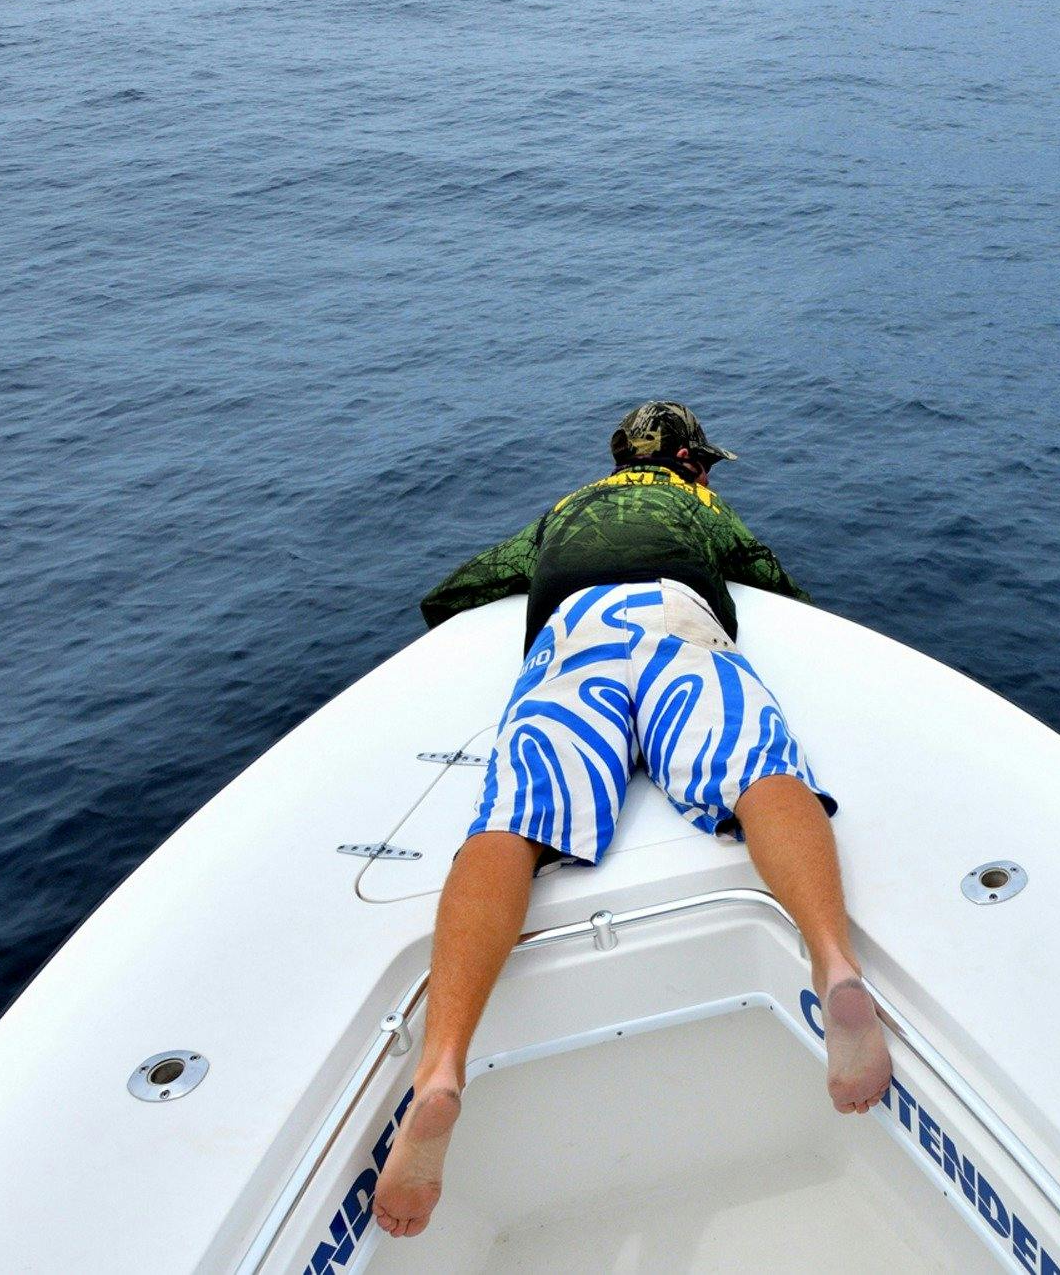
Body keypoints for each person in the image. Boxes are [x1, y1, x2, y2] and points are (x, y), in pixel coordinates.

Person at [374, 402, 891, 1239]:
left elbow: (458, 589)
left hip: (573, 634)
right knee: (758, 767)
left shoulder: (566, 510)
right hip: (674, 621)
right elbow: (764, 570)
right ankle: (833, 966)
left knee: (513, 816)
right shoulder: (695, 503)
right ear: (691, 462)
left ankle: (439, 1071)